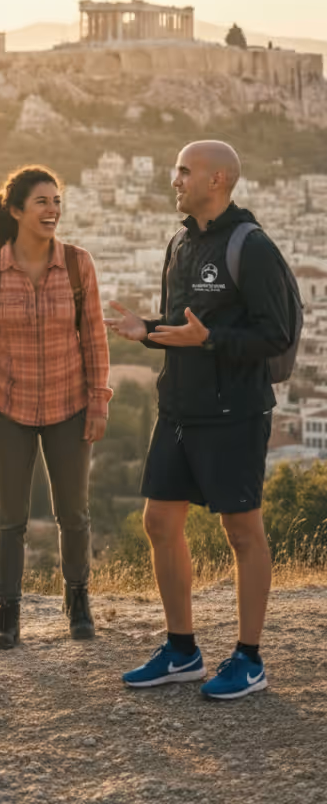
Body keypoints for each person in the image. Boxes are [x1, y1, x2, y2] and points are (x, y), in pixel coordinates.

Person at [106, 140, 291, 701]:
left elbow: (274, 335)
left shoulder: (251, 246)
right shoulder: (180, 241)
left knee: (241, 531)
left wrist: (209, 340)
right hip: (179, 408)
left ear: (218, 180)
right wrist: (150, 330)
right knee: (160, 522)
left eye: (184, 172)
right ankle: (182, 650)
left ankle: (250, 659)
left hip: (234, 411)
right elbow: (188, 324)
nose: (174, 180)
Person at [0, 166, 112, 650]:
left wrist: (99, 402)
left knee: (74, 512)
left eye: (57, 201)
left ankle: (78, 602)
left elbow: (94, 338)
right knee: (9, 519)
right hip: (9, 406)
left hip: (69, 403)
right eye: (43, 202)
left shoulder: (76, 263)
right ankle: (6, 614)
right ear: (16, 210)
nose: (53, 210)